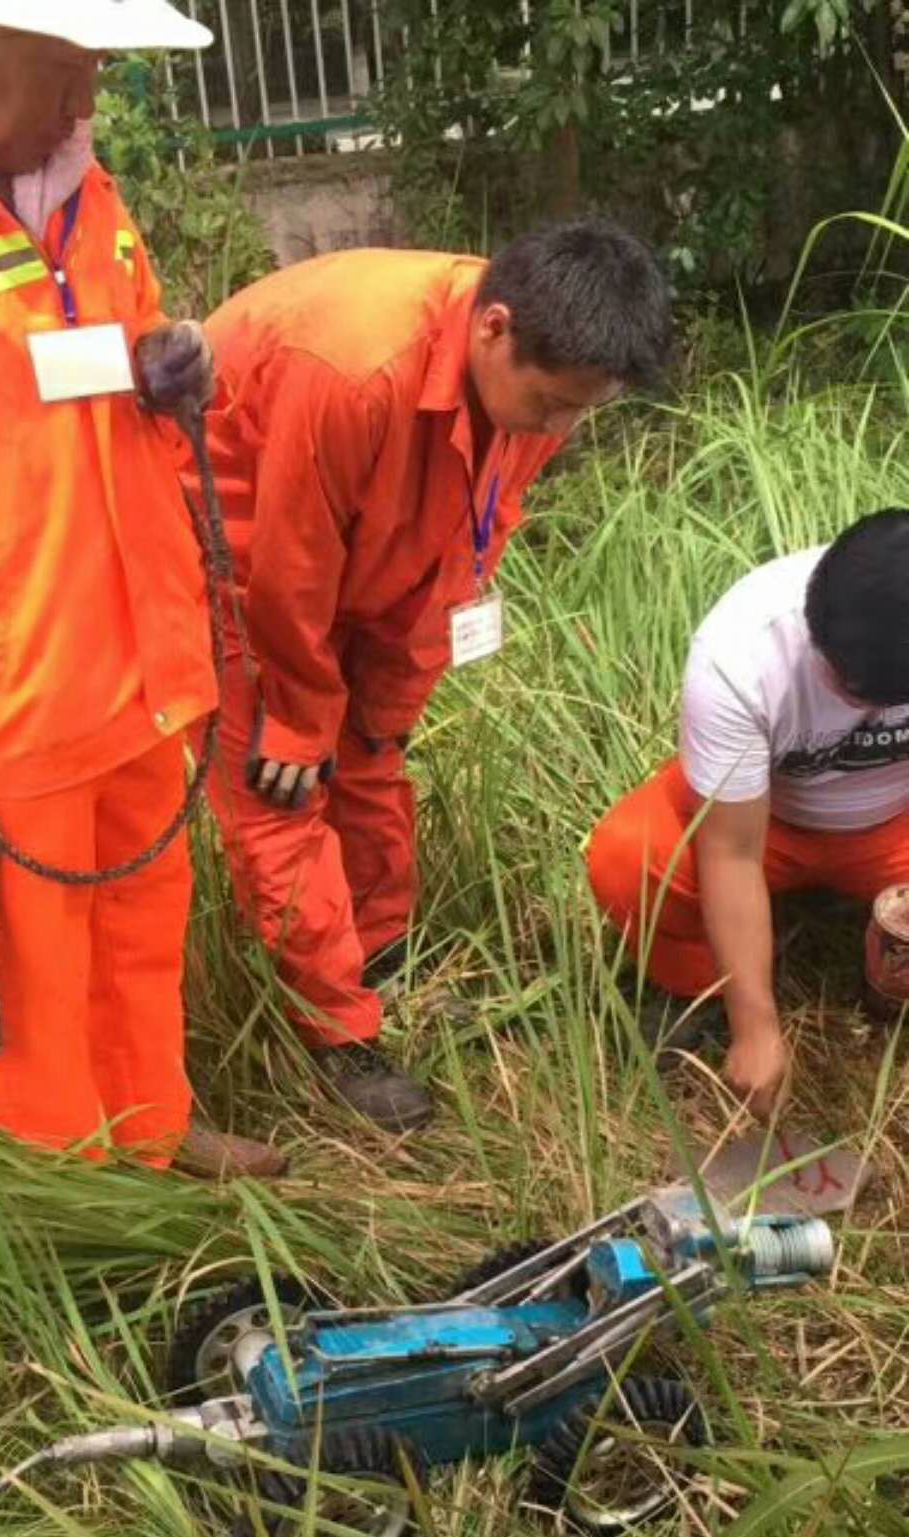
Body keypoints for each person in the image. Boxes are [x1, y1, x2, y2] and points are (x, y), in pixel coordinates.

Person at [0, 0, 284, 1178]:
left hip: (137, 662)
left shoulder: (76, 182)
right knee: (29, 974)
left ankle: (152, 1132)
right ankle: (66, 1204)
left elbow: (110, 345)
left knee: (142, 925)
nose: (89, 98)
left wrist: (161, 361)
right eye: (67, 64)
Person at [193, 222, 673, 1131]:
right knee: (281, 791)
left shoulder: (529, 385)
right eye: (553, 406)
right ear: (492, 328)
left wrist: (389, 700)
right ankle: (335, 1035)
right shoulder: (355, 369)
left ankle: (379, 957)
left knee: (370, 755)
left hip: (374, 543)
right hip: (238, 551)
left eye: (584, 411)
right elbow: (290, 562)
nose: (561, 430)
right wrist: (297, 718)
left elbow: (469, 537)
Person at [587, 510, 909, 1119]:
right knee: (628, 860)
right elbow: (731, 851)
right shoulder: (741, 650)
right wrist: (755, 1025)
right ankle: (698, 990)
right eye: (843, 683)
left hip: (893, 824)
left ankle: (866, 937)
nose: (858, 707)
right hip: (765, 825)